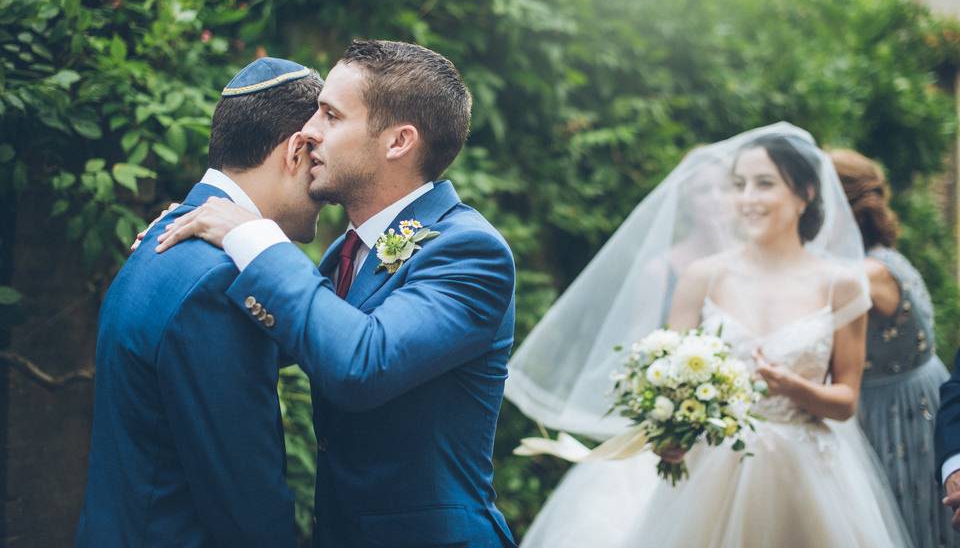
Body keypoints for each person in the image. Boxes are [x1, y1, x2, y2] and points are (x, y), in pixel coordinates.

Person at [153, 40, 517, 547]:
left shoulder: (471, 253)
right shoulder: (346, 253)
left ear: (398, 142)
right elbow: (287, 334)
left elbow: (362, 363)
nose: (307, 132)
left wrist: (252, 237)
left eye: (329, 114)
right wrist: (201, 237)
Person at [506, 123, 911, 547]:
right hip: (713, 471)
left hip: (808, 474)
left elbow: (846, 401)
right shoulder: (703, 277)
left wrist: (793, 387)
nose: (747, 199)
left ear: (805, 193)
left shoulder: (841, 284)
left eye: (764, 184)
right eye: (739, 185)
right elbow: (667, 377)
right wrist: (668, 434)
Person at [76, 58, 324, 547]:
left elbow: (309, 334)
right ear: (296, 151)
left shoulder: (164, 241)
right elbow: (245, 498)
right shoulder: (219, 281)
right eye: (319, 163)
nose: (326, 190)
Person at [830, 148, 956, 548]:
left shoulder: (866, 272)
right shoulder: (880, 257)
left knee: (906, 521)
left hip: (898, 413)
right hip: (903, 396)